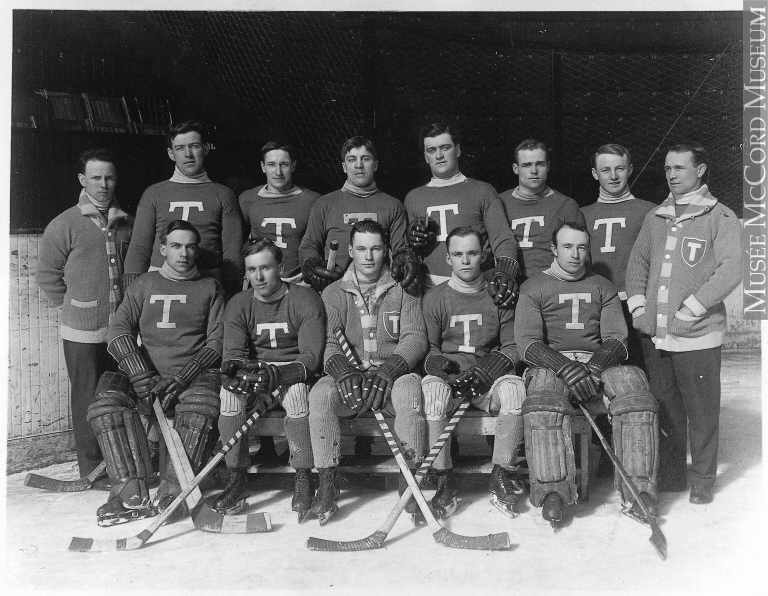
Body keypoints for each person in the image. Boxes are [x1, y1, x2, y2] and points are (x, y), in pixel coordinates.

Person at [515, 221, 659, 526]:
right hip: (552, 365)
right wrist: (565, 368)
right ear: (554, 249)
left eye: (581, 247)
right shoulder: (533, 287)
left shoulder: (603, 286)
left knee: (635, 392)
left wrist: (594, 368)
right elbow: (527, 342)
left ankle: (639, 490)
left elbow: (617, 337)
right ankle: (552, 490)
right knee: (543, 402)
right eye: (567, 246)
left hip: (597, 363)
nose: (575, 254)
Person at [87, 220, 225, 526]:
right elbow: (118, 330)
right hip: (147, 377)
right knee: (106, 403)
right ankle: (128, 491)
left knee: (202, 403)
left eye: (190, 246)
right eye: (176, 246)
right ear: (163, 249)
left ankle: (175, 490)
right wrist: (139, 374)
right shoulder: (143, 284)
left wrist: (183, 377)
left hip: (192, 377)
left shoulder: (210, 287)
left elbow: (217, 342)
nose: (183, 253)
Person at [625, 144, 742, 505]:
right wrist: (639, 308)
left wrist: (691, 309)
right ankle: (673, 476)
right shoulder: (655, 217)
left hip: (698, 334)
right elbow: (638, 263)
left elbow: (732, 269)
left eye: (679, 167)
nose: (672, 175)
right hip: (656, 335)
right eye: (667, 169)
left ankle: (703, 479)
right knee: (666, 408)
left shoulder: (720, 216)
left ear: (700, 170)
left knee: (702, 412)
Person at [307, 220, 427, 525]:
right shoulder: (334, 292)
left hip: (391, 376)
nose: (369, 256)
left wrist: (390, 369)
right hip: (353, 376)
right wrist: (342, 371)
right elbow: (329, 342)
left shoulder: (404, 288)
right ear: (350, 251)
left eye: (376, 248)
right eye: (361, 249)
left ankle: (409, 481)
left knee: (410, 390)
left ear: (386, 250)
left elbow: (415, 337)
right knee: (320, 394)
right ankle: (327, 482)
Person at [37, 147, 133, 481]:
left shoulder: (128, 223)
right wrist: (74, 306)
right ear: (82, 180)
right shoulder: (64, 223)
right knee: (87, 399)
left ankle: (123, 464)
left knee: (118, 396)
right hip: (82, 331)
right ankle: (92, 469)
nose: (103, 185)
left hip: (122, 330)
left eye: (109, 178)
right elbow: (48, 276)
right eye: (96, 178)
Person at [215, 238, 325, 521]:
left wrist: (281, 374)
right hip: (257, 373)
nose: (259, 277)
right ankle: (237, 478)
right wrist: (237, 373)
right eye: (252, 270)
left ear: (281, 268)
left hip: (291, 374)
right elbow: (234, 353)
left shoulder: (304, 298)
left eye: (265, 268)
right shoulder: (239, 303)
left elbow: (311, 357)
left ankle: (303, 475)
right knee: (229, 395)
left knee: (297, 393)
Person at [421, 227, 526, 519]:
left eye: (472, 253)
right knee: (432, 394)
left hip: (487, 379)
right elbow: (428, 349)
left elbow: (513, 346)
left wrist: (487, 371)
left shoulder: (499, 294)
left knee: (515, 391)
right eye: (458, 254)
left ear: (484, 255)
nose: (465, 261)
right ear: (448, 258)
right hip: (452, 379)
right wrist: (443, 370)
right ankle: (444, 479)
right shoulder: (435, 297)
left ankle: (501, 474)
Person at [404, 122, 520, 306]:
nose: (439, 155)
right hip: (432, 292)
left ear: (457, 150)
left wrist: (506, 270)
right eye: (432, 150)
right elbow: (409, 251)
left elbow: (503, 238)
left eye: (445, 147)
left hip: (478, 290)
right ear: (426, 157)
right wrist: (412, 244)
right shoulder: (413, 198)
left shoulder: (482, 191)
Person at [123, 119, 244, 295]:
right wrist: (133, 292)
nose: (188, 154)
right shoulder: (154, 193)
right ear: (171, 153)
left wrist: (231, 292)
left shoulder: (224, 194)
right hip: (159, 283)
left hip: (207, 285)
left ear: (206, 148)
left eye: (194, 146)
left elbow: (232, 252)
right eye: (180, 148)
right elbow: (139, 247)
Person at [299, 136, 417, 294]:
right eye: (352, 159)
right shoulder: (324, 204)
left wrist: (404, 258)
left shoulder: (393, 206)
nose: (359, 165)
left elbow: (400, 249)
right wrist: (312, 265)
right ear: (344, 166)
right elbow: (309, 246)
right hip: (336, 291)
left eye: (365, 159)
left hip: (380, 292)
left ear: (375, 165)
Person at [581, 144, 656, 367]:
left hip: (638, 305)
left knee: (643, 371)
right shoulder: (581, 214)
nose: (613, 176)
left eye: (620, 169)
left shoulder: (650, 211)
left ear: (630, 169)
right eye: (605, 170)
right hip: (597, 306)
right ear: (595, 173)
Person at [499, 138, 585, 281]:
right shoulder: (499, 203)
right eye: (526, 165)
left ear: (548, 166)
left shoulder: (565, 205)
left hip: (551, 284)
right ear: (515, 168)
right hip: (509, 282)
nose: (534, 171)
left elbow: (581, 256)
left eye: (540, 164)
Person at [238, 141, 321, 283]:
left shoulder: (312, 200)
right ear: (263, 167)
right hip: (261, 280)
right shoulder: (248, 199)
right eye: (271, 164)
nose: (278, 172)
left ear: (293, 166)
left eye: (284, 164)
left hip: (300, 281)